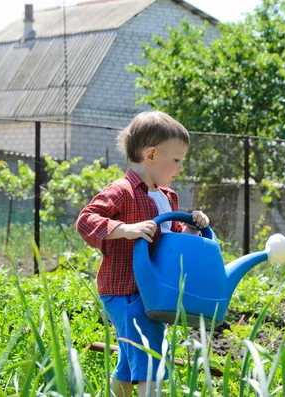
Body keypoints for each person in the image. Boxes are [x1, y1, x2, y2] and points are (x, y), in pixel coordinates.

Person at [76, 111, 209, 396]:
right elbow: (86, 220)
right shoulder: (122, 191)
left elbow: (174, 243)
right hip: (126, 290)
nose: (180, 167)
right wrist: (125, 229)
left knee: (129, 361)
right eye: (176, 160)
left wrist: (193, 226)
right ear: (151, 155)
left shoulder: (168, 197)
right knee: (151, 356)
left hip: (151, 291)